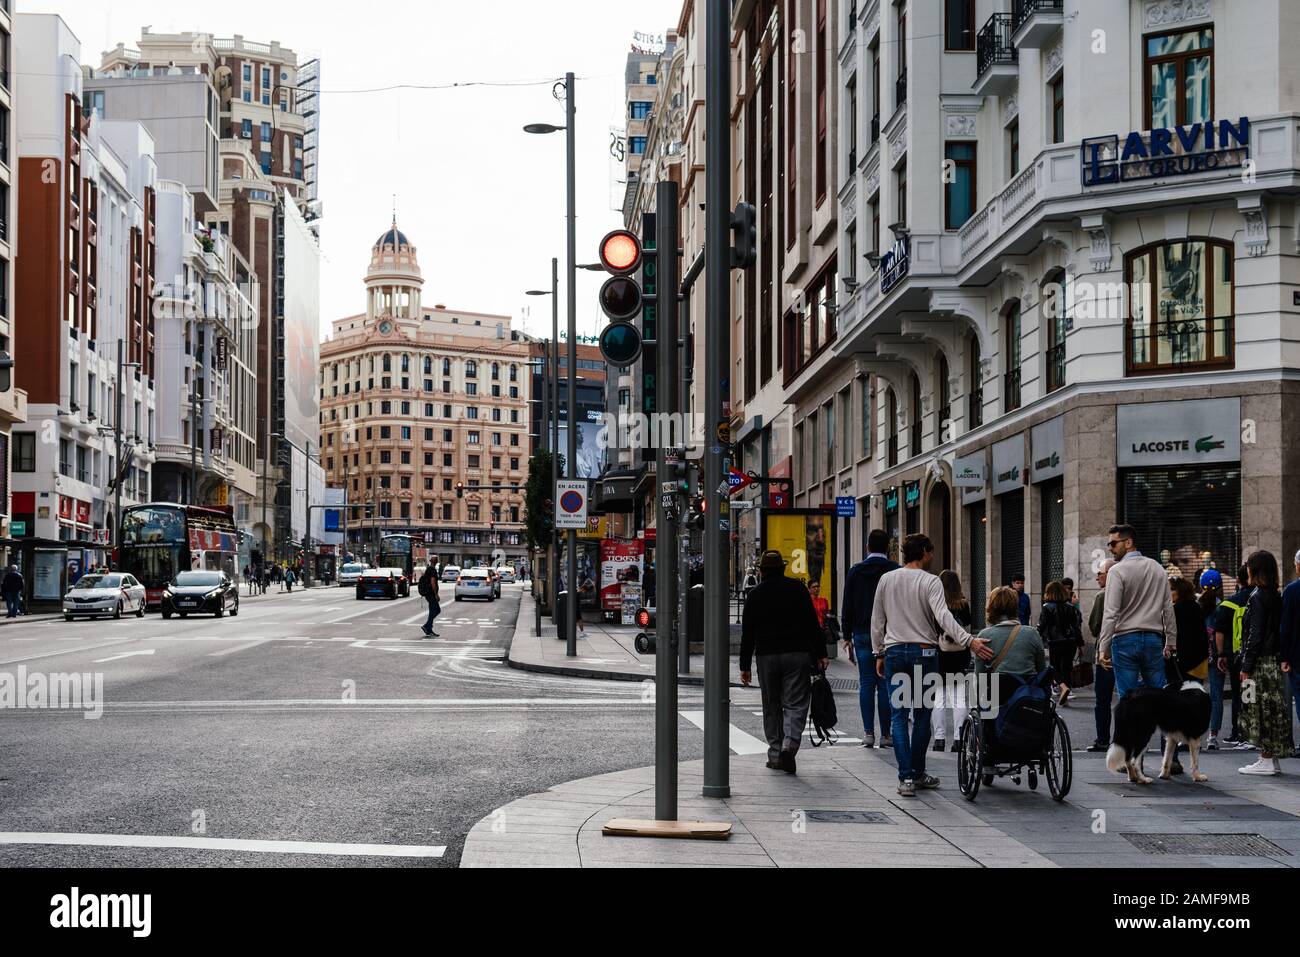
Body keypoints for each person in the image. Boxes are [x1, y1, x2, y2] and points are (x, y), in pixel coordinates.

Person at [871, 533, 992, 797]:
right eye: (931, 552)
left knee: (900, 717)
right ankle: (917, 772)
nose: (932, 556)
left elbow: (877, 620)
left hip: (894, 652)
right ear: (924, 551)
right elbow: (944, 617)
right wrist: (969, 641)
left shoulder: (887, 580)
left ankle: (906, 779)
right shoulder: (930, 581)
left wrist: (878, 652)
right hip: (924, 653)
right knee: (922, 715)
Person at [739, 550, 829, 775]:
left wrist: (745, 665)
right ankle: (790, 744)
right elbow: (811, 624)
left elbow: (747, 633)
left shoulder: (755, 595)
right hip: (796, 653)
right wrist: (821, 652)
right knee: (796, 703)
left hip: (766, 656)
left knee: (771, 705)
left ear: (761, 572)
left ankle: (776, 753)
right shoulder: (798, 589)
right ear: (783, 568)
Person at [1096, 524, 1177, 699]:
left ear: (1128, 542)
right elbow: (1167, 608)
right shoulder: (1157, 568)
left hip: (1125, 639)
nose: (1110, 549)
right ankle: (1152, 726)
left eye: (1113, 544)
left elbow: (1111, 612)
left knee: (1127, 699)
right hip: (1153, 639)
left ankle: (1133, 726)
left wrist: (1103, 648)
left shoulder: (1116, 571)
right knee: (1158, 696)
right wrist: (1171, 640)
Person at [841, 530, 899, 749]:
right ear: (888, 548)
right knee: (884, 683)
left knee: (866, 683)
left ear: (867, 547)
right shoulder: (895, 570)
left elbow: (847, 604)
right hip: (888, 633)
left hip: (862, 632)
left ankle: (868, 733)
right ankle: (886, 734)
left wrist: (847, 636)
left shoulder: (856, 571)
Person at [1238, 550, 1294, 775]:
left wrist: (1245, 666)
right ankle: (1270, 757)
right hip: (1271, 662)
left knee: (1255, 707)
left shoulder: (1257, 596)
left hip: (1258, 664)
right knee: (1271, 709)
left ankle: (1265, 758)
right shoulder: (1274, 595)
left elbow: (1255, 634)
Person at [931, 570, 974, 753]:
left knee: (939, 698)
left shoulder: (936, 604)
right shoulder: (963, 604)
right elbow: (967, 624)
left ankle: (939, 739)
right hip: (959, 655)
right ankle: (958, 739)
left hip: (941, 654)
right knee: (958, 699)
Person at [1214, 566, 1253, 748]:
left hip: (1236, 656)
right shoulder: (1260, 598)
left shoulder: (1228, 604)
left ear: (1237, 579)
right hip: (1256, 655)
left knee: (1240, 694)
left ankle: (1239, 733)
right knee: (1250, 693)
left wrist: (1221, 654)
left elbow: (1219, 633)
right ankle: (1251, 731)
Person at [1086, 560, 1117, 752]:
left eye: (1101, 573)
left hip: (1106, 653)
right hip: (1125, 652)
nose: (1098, 576)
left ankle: (1103, 739)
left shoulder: (1102, 596)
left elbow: (1094, 626)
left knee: (1103, 700)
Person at [1039, 579, 1084, 707]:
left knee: (1055, 667)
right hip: (1071, 641)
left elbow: (1041, 626)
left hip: (1055, 641)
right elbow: (1076, 627)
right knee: (1067, 667)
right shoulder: (1070, 607)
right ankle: (1066, 695)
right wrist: (1080, 644)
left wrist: (1035, 639)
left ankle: (1063, 687)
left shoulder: (1047, 607)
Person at [1198, 569, 1225, 750]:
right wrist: (1222, 655)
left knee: (1194, 695)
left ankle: (1194, 734)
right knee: (1216, 697)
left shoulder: (1195, 605)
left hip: (1198, 656)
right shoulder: (1223, 606)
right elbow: (1221, 634)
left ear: (1201, 585)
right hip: (1215, 656)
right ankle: (1213, 737)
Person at [418, 563, 441, 638]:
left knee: (434, 610)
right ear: (436, 561)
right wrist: (436, 594)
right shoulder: (432, 570)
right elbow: (432, 582)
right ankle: (427, 626)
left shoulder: (428, 569)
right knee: (436, 610)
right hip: (431, 594)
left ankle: (428, 628)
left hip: (428, 593)